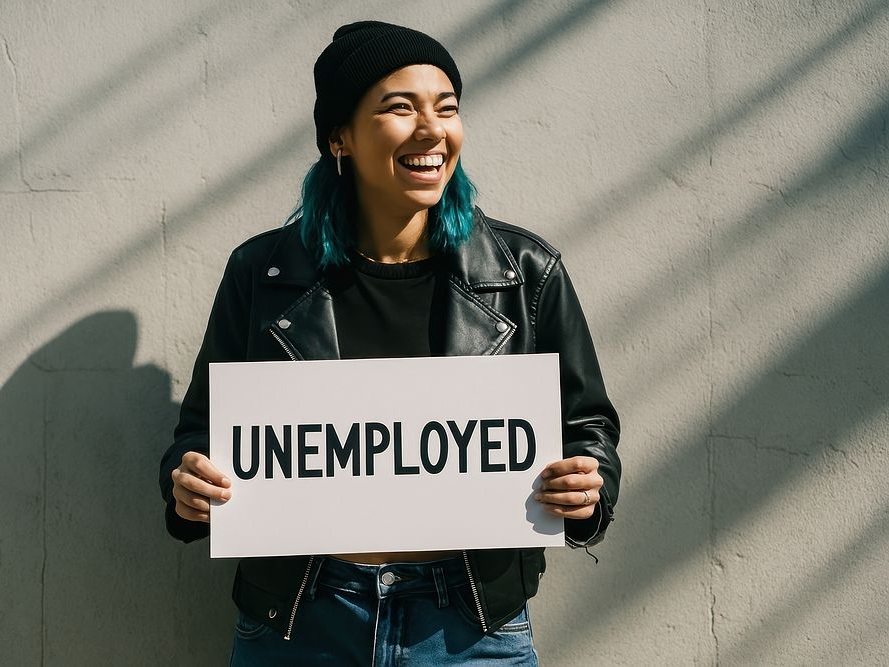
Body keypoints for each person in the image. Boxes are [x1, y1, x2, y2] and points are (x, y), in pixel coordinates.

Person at [159, 20, 621, 665]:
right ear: (340, 137)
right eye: (400, 108)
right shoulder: (262, 273)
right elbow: (202, 433)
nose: (432, 129)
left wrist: (586, 484)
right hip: (302, 619)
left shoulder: (523, 271)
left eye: (447, 107)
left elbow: (586, 426)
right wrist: (189, 486)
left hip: (469, 626)